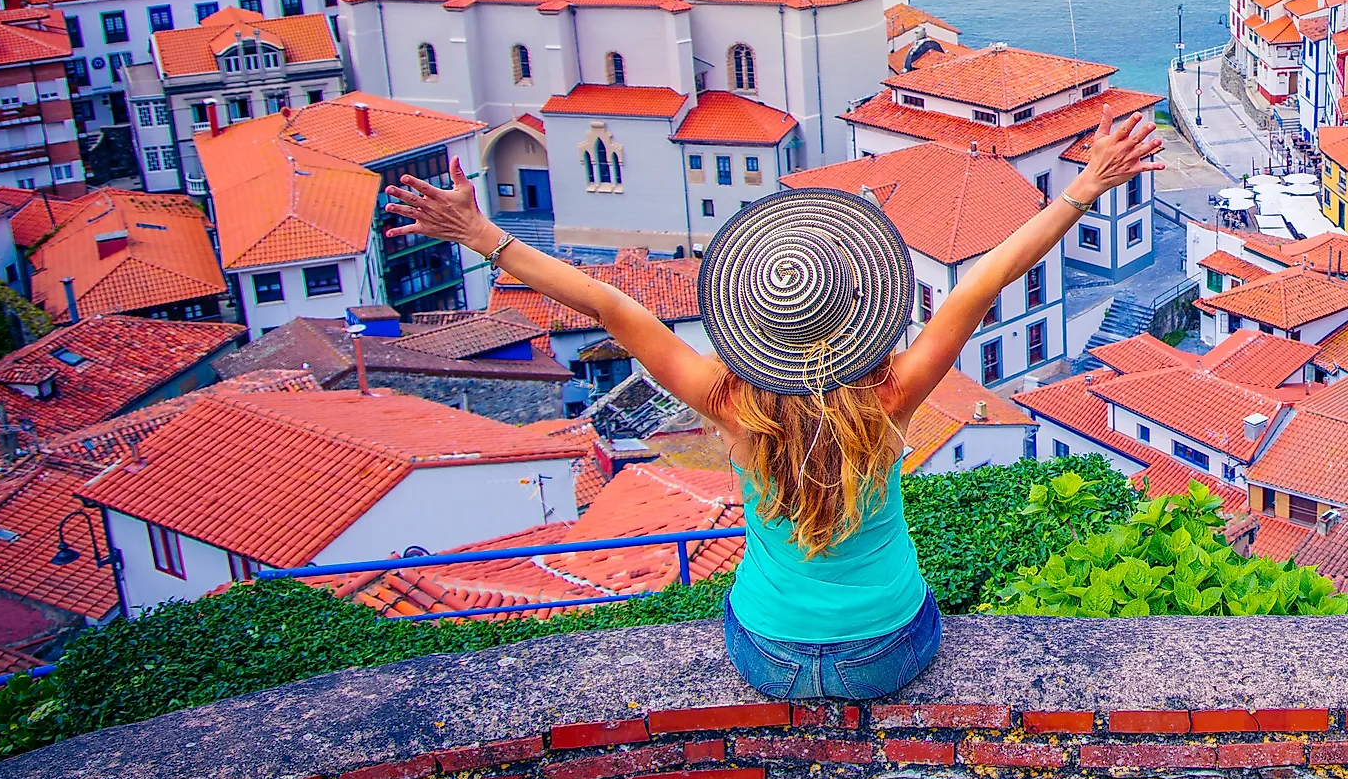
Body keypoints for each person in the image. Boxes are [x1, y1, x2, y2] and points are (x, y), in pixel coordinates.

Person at [381, 112, 1165, 700]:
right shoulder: (888, 399)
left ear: (752, 327)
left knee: (747, 599)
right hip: (886, 653)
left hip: (769, 656)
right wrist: (1084, 188)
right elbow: (982, 282)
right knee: (919, 601)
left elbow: (611, 307)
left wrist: (482, 234)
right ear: (859, 314)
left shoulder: (728, 403)